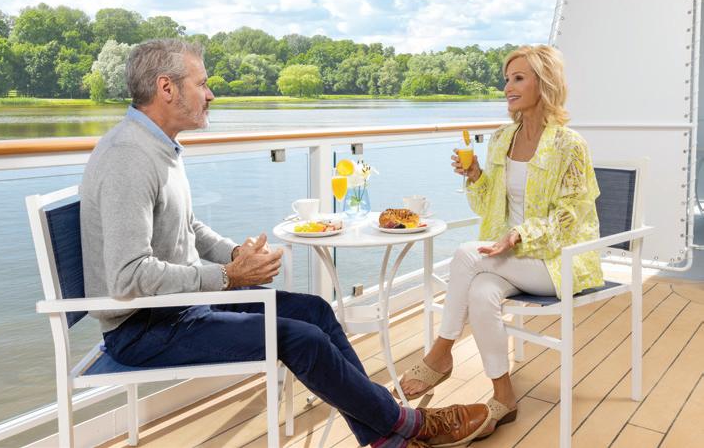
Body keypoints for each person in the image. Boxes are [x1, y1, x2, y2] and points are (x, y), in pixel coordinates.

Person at [80, 39, 492, 448]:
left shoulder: (158, 147)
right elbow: (127, 277)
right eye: (201, 83)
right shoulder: (128, 157)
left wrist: (234, 255)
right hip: (146, 329)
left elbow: (187, 227)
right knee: (301, 339)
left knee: (315, 312)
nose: (210, 94)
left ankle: (385, 440)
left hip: (184, 306)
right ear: (166, 88)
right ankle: (409, 424)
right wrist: (227, 276)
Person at [397, 45, 602, 437]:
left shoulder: (569, 144)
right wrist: (476, 175)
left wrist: (519, 234)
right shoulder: (502, 138)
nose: (508, 87)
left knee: (465, 255)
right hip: (511, 256)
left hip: (557, 260)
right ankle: (504, 396)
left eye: (518, 78)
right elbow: (487, 205)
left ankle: (440, 353)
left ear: (545, 83)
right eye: (507, 79)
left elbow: (571, 215)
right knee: (481, 292)